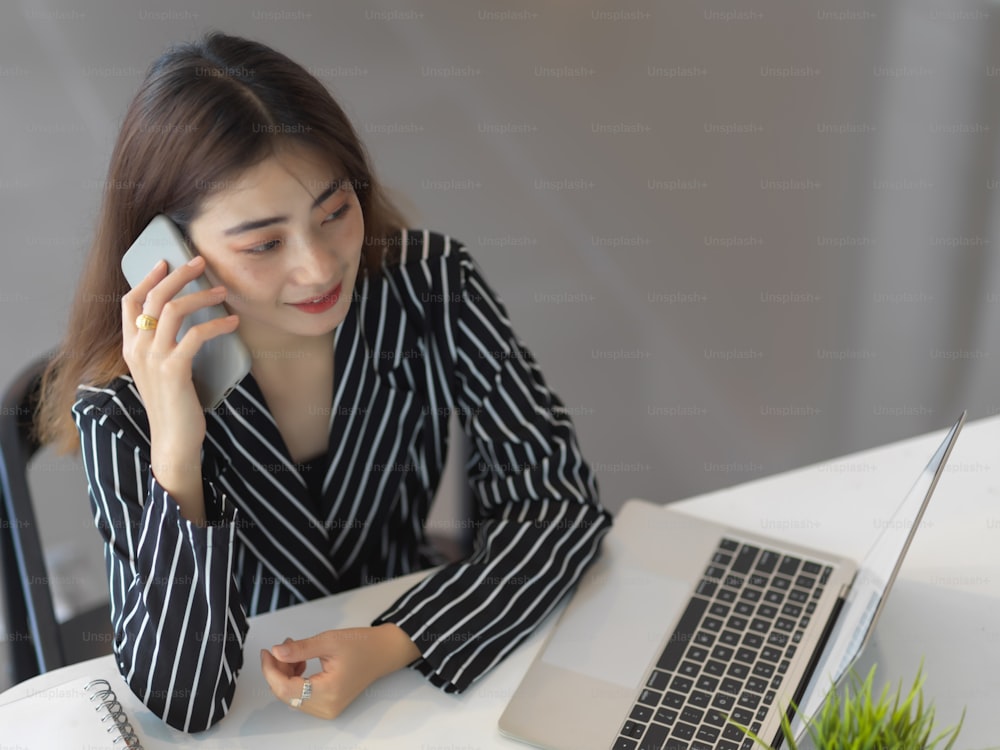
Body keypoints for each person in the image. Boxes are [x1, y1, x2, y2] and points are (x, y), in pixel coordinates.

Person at [36, 31, 612, 733]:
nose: (319, 268)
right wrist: (178, 458)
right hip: (259, 711)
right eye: (265, 244)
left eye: (334, 212)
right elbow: (180, 701)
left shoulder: (427, 287)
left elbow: (558, 506)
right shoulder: (124, 410)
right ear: (170, 257)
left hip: (421, 661)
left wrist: (392, 642)